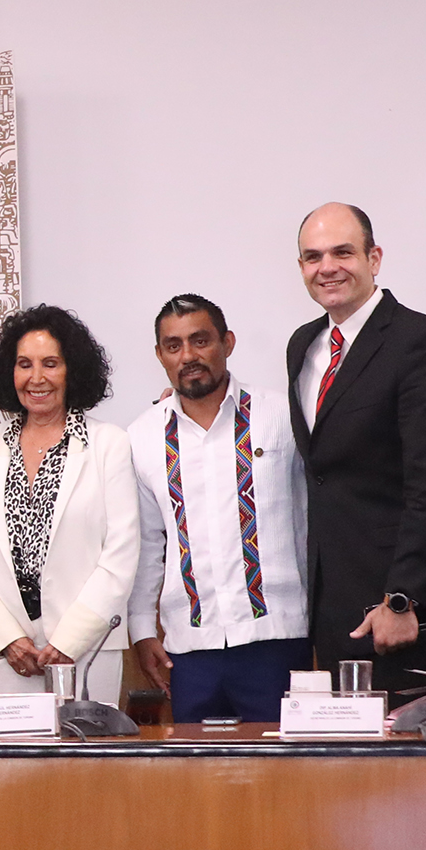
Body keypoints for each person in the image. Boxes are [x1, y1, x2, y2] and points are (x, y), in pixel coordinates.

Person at [286, 203, 426, 696]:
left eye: (342, 252)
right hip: (336, 606)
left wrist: (403, 598)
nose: (327, 267)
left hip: (409, 611)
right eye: (313, 256)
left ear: (374, 258)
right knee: (348, 745)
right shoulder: (303, 346)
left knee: (418, 746)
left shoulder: (418, 339)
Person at [126, 295, 312, 724]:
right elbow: (146, 543)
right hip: (190, 649)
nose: (188, 356)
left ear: (227, 342)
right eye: (173, 346)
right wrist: (142, 629)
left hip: (277, 637)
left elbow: (341, 487)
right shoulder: (141, 436)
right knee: (198, 766)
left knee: (285, 764)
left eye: (200, 340)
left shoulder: (283, 415)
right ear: (160, 355)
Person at [0, 305, 139, 702]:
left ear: (72, 370)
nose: (36, 378)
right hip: (8, 651)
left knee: (86, 745)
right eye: (24, 364)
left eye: (50, 364)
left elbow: (121, 553)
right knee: (14, 747)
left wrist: (69, 641)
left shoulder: (109, 444)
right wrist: (7, 637)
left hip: (88, 647)